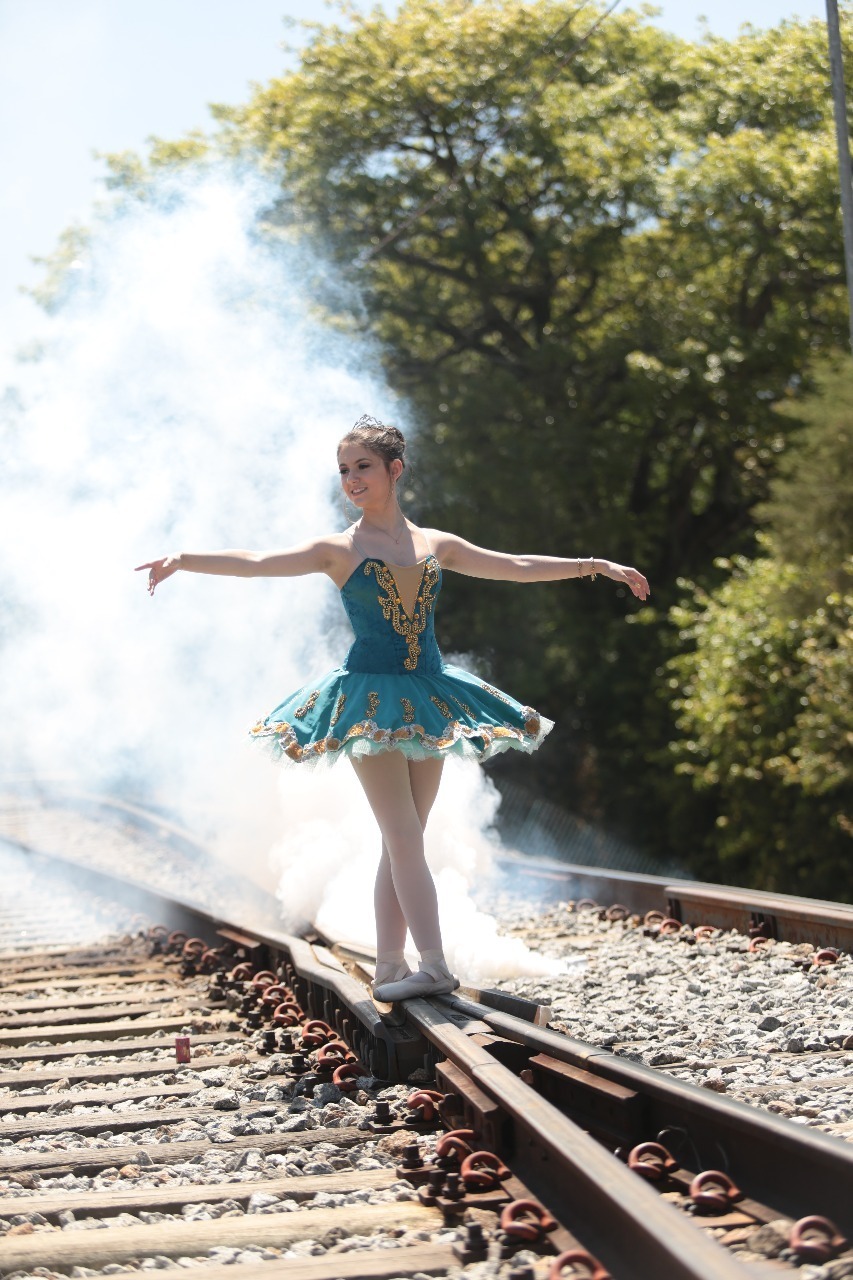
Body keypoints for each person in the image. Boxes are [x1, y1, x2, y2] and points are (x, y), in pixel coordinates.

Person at [137, 414, 649, 1001]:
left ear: (394, 470)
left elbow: (515, 566)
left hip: (428, 695)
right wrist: (183, 557)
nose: (351, 480)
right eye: (344, 471)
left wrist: (596, 566)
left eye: (362, 468)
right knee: (405, 836)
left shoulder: (436, 544)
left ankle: (389, 969)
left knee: (402, 840)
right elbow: (257, 561)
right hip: (369, 703)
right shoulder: (338, 549)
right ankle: (432, 965)